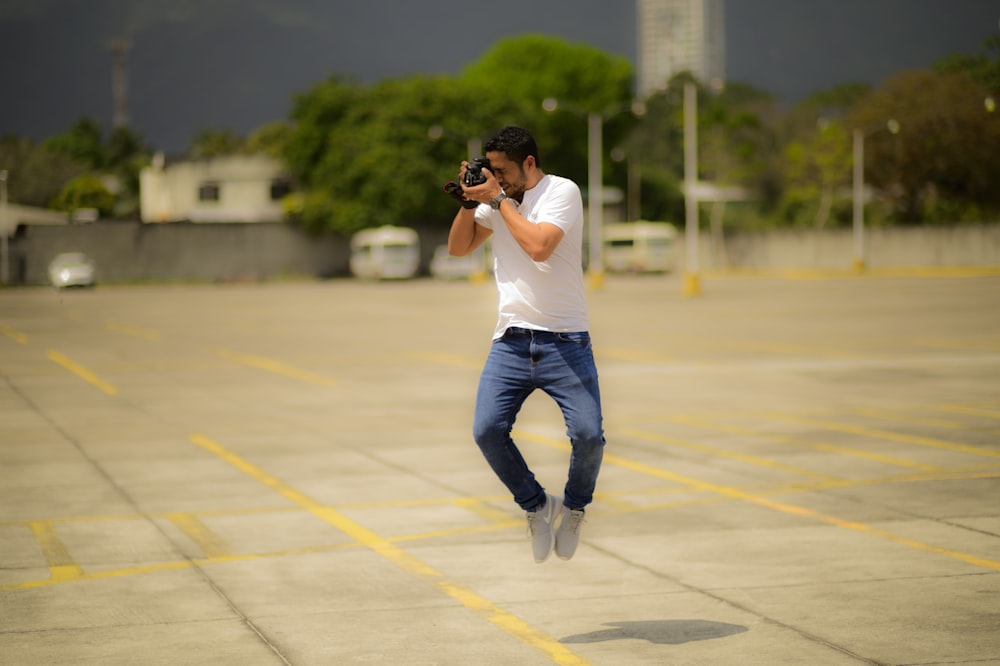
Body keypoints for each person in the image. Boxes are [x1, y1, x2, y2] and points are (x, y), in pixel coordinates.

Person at [446, 125, 606, 563]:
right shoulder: (498, 200)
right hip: (511, 341)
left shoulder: (561, 191)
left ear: (529, 163)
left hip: (566, 340)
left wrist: (497, 200)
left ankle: (574, 508)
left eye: (503, 171)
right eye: (490, 170)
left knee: (589, 436)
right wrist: (468, 202)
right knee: (486, 431)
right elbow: (459, 248)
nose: (497, 178)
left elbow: (539, 247)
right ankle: (536, 506)